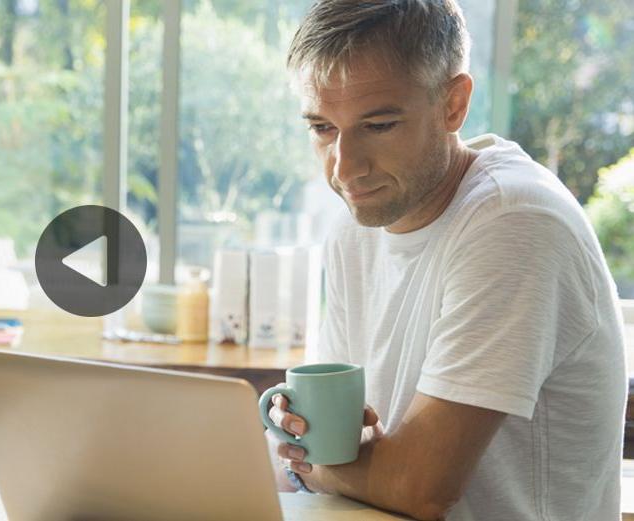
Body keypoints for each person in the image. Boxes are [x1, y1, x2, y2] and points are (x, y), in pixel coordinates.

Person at [264, 1, 627, 520]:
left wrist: (307, 463)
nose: (345, 168)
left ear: (453, 104)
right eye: (322, 128)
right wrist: (303, 441)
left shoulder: (516, 221)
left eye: (379, 124)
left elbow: (421, 488)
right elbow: (340, 450)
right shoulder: (354, 229)